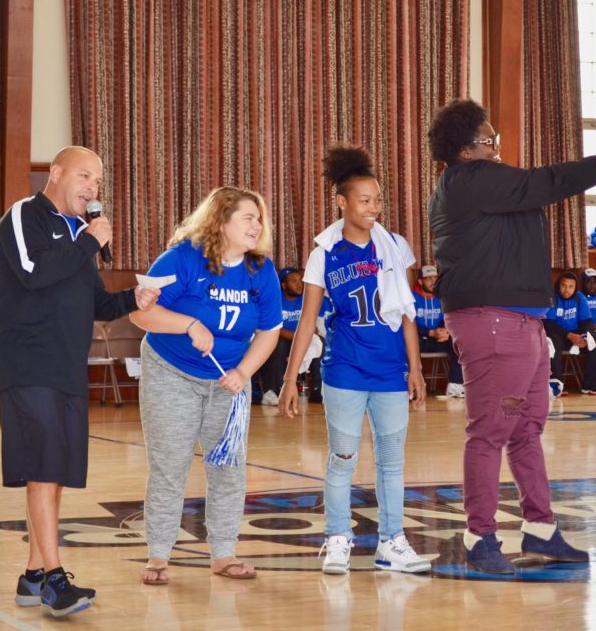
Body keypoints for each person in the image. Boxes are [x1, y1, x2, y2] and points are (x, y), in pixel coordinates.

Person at [427, 98, 596, 573]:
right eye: (490, 141)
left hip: (522, 320)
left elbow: (531, 193)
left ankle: (540, 529)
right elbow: (545, 182)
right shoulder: (472, 179)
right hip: (494, 321)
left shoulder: (481, 183)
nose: (497, 148)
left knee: (527, 430)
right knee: (489, 432)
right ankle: (480, 537)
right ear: (466, 150)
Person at [0, 146, 158, 617]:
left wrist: (133, 297)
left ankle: (32, 575)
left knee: (55, 474)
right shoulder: (25, 215)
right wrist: (89, 241)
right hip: (27, 364)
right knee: (43, 470)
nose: (93, 188)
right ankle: (55, 580)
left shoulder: (76, 236)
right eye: (85, 176)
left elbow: (95, 305)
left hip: (66, 368)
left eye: (99, 182)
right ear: (56, 173)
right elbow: (32, 272)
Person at [279, 145, 430, 575]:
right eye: (364, 200)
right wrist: (291, 378)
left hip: (389, 371)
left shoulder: (395, 247)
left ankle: (392, 541)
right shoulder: (324, 252)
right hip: (344, 368)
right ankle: (338, 537)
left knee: (391, 459)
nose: (374, 208)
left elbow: (406, 314)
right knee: (342, 456)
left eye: (378, 200)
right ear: (341, 201)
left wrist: (415, 369)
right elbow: (307, 321)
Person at [130, 186, 282, 585]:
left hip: (228, 382)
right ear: (221, 222)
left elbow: (270, 330)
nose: (257, 225)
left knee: (228, 468)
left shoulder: (260, 269)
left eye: (259, 218)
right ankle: (159, 556)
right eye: (248, 217)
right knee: (170, 466)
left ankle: (224, 554)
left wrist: (244, 372)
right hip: (171, 372)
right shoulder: (184, 258)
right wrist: (188, 323)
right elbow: (141, 315)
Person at [255, 267, 325, 405]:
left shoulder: (306, 299)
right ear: (284, 285)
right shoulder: (276, 299)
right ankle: (275, 391)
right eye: (294, 281)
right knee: (277, 345)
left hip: (300, 339)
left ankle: (318, 390)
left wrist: (306, 335)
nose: (299, 284)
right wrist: (296, 336)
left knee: (320, 344)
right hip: (281, 339)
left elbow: (314, 325)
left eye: (300, 281)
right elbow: (272, 327)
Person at [544, 271, 596, 395]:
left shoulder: (579, 297)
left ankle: (590, 385)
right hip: (558, 334)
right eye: (564, 285)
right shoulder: (552, 297)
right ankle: (556, 385)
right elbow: (549, 324)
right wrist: (570, 336)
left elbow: (587, 322)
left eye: (570, 286)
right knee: (553, 340)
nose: (566, 290)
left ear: (575, 287)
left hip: (576, 335)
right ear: (558, 285)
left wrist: (585, 336)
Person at [412, 264, 464, 397]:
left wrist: (445, 331)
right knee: (407, 342)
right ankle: (417, 387)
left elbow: (447, 318)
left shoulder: (441, 297)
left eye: (435, 278)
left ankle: (455, 385)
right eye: (429, 279)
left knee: (458, 342)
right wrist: (430, 332)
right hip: (419, 340)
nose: (433, 282)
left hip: (437, 338)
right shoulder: (411, 297)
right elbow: (408, 324)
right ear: (420, 281)